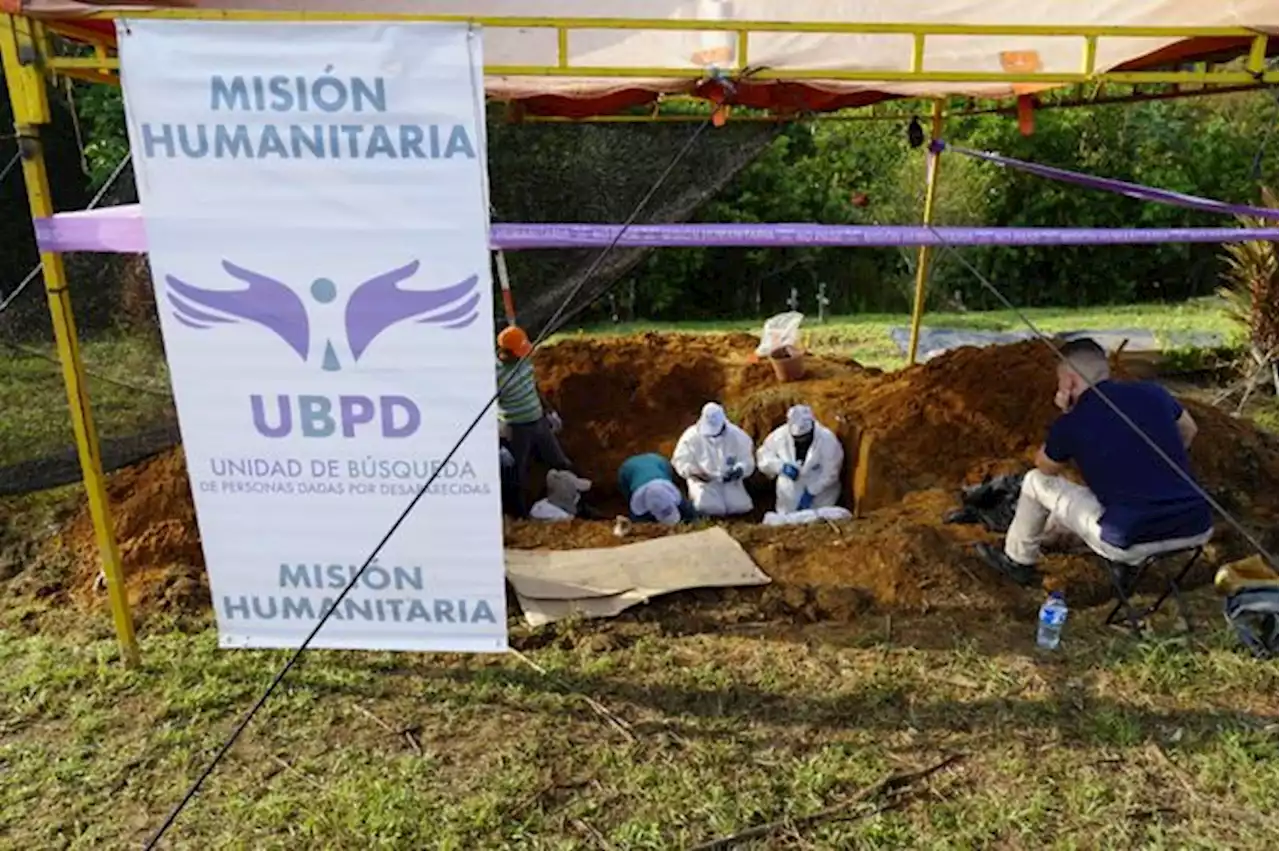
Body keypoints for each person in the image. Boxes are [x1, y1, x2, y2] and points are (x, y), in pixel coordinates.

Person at [976, 338, 1213, 586]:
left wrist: (1066, 415)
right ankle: (1128, 564)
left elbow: (1045, 467)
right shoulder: (1153, 392)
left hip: (1131, 538)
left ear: (1069, 381)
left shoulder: (1074, 420)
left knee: (1035, 482)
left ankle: (1017, 560)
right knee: (1119, 495)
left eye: (1060, 382)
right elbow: (1189, 429)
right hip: (1196, 526)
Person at [496, 325, 573, 518]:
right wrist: (498, 440)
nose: (523, 355)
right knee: (517, 475)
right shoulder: (494, 374)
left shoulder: (524, 362)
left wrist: (549, 411)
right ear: (504, 352)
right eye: (518, 352)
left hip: (538, 421)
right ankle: (520, 517)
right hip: (515, 428)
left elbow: (533, 387)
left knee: (559, 462)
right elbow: (488, 407)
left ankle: (575, 502)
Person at [671, 402, 755, 517]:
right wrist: (694, 472)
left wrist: (740, 470)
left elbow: (747, 460)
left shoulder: (738, 436)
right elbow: (680, 461)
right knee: (708, 508)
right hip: (704, 483)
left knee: (740, 506)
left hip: (729, 482)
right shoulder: (690, 437)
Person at [757, 404, 844, 514]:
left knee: (818, 518)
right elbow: (764, 455)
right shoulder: (779, 436)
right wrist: (780, 466)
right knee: (787, 520)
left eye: (804, 438)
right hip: (789, 491)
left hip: (820, 493)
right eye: (797, 439)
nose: (801, 441)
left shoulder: (827, 440)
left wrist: (812, 491)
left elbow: (831, 472)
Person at [618, 453, 697, 525]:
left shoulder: (675, 495)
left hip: (658, 462)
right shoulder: (638, 503)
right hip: (629, 468)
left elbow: (691, 513)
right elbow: (628, 495)